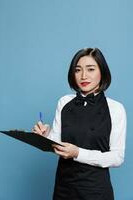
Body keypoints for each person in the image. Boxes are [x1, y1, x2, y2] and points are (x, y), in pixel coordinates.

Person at [33, 48, 127, 200]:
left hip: (96, 191)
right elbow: (58, 144)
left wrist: (78, 153)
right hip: (64, 188)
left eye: (90, 69)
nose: (83, 76)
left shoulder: (116, 108)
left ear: (102, 72)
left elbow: (117, 157)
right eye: (78, 70)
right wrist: (46, 135)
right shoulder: (64, 102)